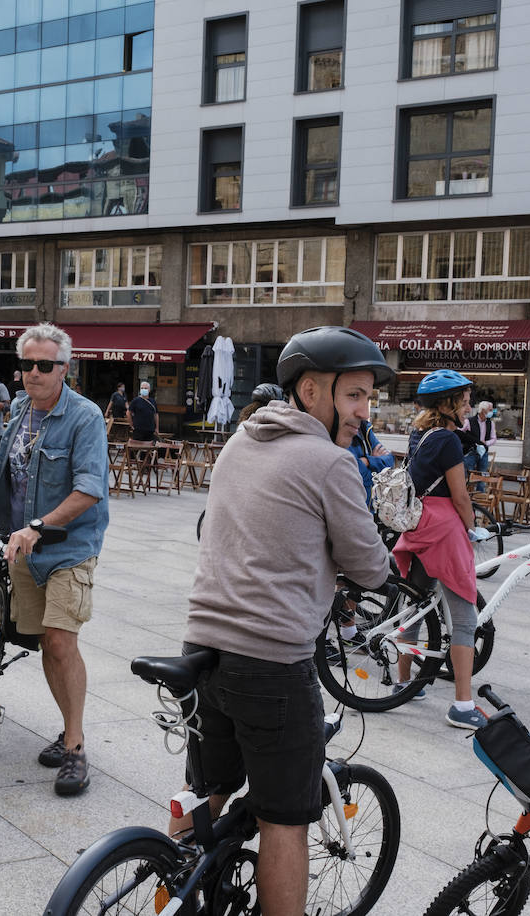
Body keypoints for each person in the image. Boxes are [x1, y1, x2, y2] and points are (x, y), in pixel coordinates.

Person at [177, 326, 391, 914]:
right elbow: (371, 568)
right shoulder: (329, 463)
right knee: (285, 819)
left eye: (368, 397)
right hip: (271, 662)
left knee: (207, 796)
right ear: (311, 389)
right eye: (354, 396)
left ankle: (167, 885)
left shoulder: (240, 442)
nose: (362, 411)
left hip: (202, 648)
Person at [0, 322, 108, 798]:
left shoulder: (85, 417)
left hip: (68, 547)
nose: (34, 373)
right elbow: (7, 474)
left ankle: (74, 747)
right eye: (27, 364)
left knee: (59, 640)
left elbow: (90, 488)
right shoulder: (17, 410)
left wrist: (39, 526)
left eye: (45, 365)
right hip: (22, 547)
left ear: (64, 369)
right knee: (42, 643)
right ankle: (67, 728)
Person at [390, 369, 484, 728]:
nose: (468, 405)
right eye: (464, 399)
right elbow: (460, 495)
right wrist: (473, 528)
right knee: (464, 620)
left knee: (414, 606)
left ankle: (404, 682)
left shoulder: (420, 434)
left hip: (419, 525)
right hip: (444, 529)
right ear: (448, 404)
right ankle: (462, 705)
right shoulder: (448, 440)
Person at [349, 418, 394, 508]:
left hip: (371, 506)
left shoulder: (364, 428)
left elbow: (390, 460)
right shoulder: (338, 433)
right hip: (355, 506)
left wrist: (367, 461)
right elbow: (351, 471)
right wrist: (375, 467)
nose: (365, 414)